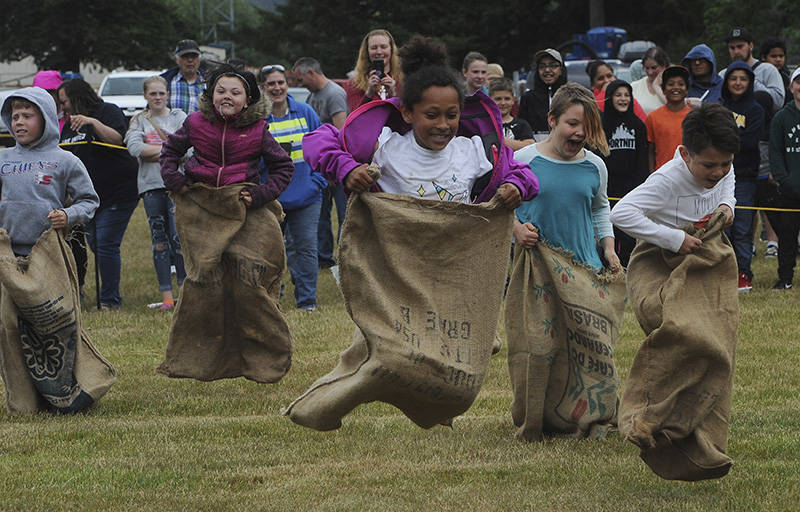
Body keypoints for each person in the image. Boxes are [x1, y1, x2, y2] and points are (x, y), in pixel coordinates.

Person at [304, 34, 537, 206]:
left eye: (452, 115)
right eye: (432, 115)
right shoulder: (385, 147)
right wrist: (348, 169)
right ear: (407, 113)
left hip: (454, 264)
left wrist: (515, 186)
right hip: (398, 267)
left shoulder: (474, 150)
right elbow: (317, 140)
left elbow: (525, 174)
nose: (443, 125)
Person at [0, 87, 108, 414]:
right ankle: (24, 401)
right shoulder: (3, 159)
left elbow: (90, 201)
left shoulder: (65, 160)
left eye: (27, 115)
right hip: (8, 259)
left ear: (46, 118)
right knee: (9, 326)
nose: (19, 122)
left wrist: (69, 216)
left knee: (55, 323)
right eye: (14, 116)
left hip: (49, 256)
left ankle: (66, 392)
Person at [513, 82, 621, 272]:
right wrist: (516, 229)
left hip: (585, 270)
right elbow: (501, 209)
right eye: (572, 124)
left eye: (586, 126)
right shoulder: (523, 160)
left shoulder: (596, 166)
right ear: (552, 119)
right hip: (537, 272)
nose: (580, 132)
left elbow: (600, 208)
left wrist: (609, 250)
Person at [611, 101, 736, 254]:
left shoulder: (722, 166)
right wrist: (673, 239)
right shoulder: (666, 180)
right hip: (664, 261)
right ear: (685, 155)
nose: (718, 172)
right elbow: (621, 214)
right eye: (709, 166)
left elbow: (729, 176)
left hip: (706, 254)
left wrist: (727, 203)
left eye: (726, 163)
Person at [58, 78, 139, 309]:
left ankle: (110, 301)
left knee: (105, 244)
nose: (63, 106)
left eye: (65, 101)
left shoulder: (108, 111)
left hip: (119, 191)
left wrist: (92, 122)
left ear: (77, 98)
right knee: (96, 243)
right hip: (89, 198)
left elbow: (118, 139)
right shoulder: (67, 126)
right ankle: (104, 295)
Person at [259, 64, 327, 311]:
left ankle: (307, 302)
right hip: (271, 199)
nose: (277, 88)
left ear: (287, 85)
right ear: (262, 88)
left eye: (281, 82)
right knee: (270, 252)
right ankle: (272, 298)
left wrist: (317, 182)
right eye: (271, 84)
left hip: (307, 196)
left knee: (306, 248)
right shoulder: (259, 120)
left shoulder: (305, 111)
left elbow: (323, 147)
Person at [124, 76, 187, 310]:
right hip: (151, 187)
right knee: (159, 242)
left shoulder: (179, 117)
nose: (158, 97)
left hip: (177, 187)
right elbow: (135, 148)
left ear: (168, 94)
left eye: (161, 93)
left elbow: (190, 149)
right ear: (145, 96)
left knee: (178, 239)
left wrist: (154, 152)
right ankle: (167, 297)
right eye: (153, 94)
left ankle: (185, 292)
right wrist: (172, 151)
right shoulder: (139, 120)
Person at [292, 57, 348, 270]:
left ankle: (346, 258)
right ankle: (324, 257)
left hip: (335, 167)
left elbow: (342, 133)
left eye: (300, 78)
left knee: (344, 216)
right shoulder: (313, 95)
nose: (299, 84)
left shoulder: (334, 94)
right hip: (321, 167)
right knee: (322, 215)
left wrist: (336, 168)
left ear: (311, 73)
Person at [719, 61, 764, 292]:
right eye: (733, 78)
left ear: (750, 82)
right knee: (721, 226)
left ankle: (743, 271)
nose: (738, 83)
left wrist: (725, 141)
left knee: (743, 227)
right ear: (726, 82)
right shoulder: (719, 106)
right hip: (719, 175)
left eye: (743, 79)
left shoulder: (755, 110)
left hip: (745, 177)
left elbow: (748, 142)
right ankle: (723, 271)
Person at [602, 80, 649, 266]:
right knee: (607, 229)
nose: (623, 99)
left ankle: (628, 265)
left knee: (628, 230)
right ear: (610, 98)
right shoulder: (601, 124)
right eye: (618, 95)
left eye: (626, 95)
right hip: (607, 186)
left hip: (631, 187)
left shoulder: (638, 125)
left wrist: (641, 185)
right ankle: (607, 264)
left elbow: (642, 159)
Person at [767, 68, 800, 290]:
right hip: (790, 191)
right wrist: (785, 180)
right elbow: (776, 153)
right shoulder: (781, 118)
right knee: (787, 238)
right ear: (791, 87)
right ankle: (785, 277)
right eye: (798, 83)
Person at [721, 28, 784, 113]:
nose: (736, 51)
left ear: (751, 46)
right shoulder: (723, 74)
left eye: (740, 46)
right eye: (732, 48)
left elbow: (778, 102)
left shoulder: (768, 70)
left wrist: (752, 82)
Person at [645, 65, 692, 172]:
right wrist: (652, 175)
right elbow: (650, 151)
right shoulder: (653, 117)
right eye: (670, 84)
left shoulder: (694, 116)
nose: (676, 87)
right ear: (663, 89)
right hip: (662, 174)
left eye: (681, 84)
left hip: (689, 174)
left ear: (687, 89)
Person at [344, 29, 402, 112]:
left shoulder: (403, 80)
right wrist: (369, 94)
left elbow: (409, 116)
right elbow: (354, 119)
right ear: (367, 52)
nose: (379, 52)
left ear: (391, 49)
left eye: (383, 47)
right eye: (374, 48)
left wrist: (393, 95)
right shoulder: (354, 84)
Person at [518, 49, 567, 142]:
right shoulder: (528, 98)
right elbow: (522, 128)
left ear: (561, 69)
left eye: (553, 65)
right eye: (542, 66)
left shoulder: (570, 96)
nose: (547, 70)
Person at [161, 39, 207, 114]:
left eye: (194, 56)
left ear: (199, 59)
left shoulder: (209, 82)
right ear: (177, 59)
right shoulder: (165, 82)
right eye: (185, 56)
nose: (190, 60)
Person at [489, 77, 534, 151]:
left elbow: (530, 146)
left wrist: (502, 141)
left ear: (513, 100)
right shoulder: (486, 124)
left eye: (507, 99)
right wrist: (518, 144)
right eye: (498, 99)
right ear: (490, 100)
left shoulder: (522, 125)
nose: (503, 103)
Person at [630, 46, 669, 114]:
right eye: (647, 68)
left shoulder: (673, 86)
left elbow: (674, 107)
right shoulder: (634, 86)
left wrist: (656, 86)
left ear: (663, 66)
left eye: (654, 68)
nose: (650, 72)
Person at [761, 37, 791, 107]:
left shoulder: (786, 77)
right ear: (763, 57)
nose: (778, 59)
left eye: (781, 56)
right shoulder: (759, 75)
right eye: (773, 56)